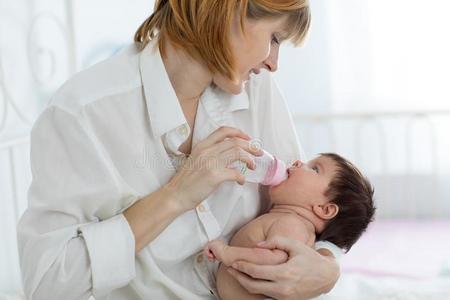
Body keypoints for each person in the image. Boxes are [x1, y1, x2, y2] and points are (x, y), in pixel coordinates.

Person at [17, 1, 341, 299]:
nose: (273, 63)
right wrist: (175, 196)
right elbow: (46, 284)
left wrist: (328, 266)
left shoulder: (258, 90)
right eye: (274, 38)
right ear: (229, 11)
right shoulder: (85, 113)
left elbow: (308, 206)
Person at [204, 153, 375, 300]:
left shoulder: (292, 224)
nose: (298, 162)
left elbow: (273, 261)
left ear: (325, 209)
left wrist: (227, 253)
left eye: (315, 169)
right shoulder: (290, 222)